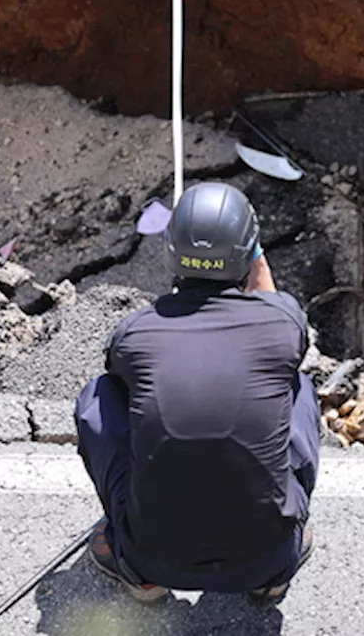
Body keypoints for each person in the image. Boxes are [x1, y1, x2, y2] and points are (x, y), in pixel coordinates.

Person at [74, 181, 320, 605]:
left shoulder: (136, 333)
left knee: (99, 396)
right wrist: (254, 256)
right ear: (248, 252)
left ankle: (141, 578)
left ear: (170, 250)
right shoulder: (283, 323)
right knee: (298, 388)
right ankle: (271, 579)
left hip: (152, 557)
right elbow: (270, 304)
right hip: (267, 556)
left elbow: (122, 383)